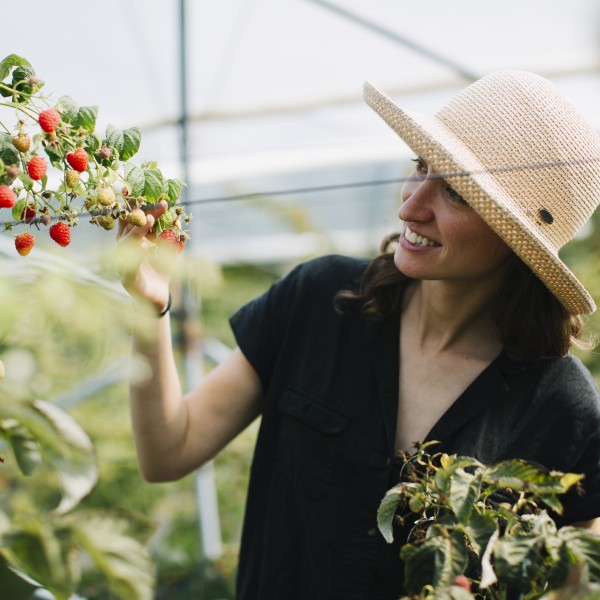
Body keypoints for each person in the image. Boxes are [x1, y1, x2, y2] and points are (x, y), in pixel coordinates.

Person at [117, 70, 600, 599]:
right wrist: (150, 307)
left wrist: (500, 582)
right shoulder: (319, 299)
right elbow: (168, 451)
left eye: (457, 194)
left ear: (518, 241)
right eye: (420, 167)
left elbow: (575, 573)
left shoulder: (562, 407)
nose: (411, 205)